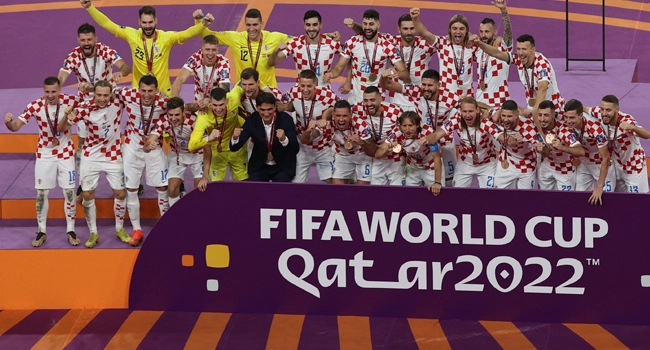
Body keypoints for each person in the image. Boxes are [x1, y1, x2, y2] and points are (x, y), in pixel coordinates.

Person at [58, 23, 131, 201]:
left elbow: (126, 67)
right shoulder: (73, 56)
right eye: (83, 40)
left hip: (107, 101)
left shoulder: (105, 50)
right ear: (78, 41)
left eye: (89, 39)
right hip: (85, 105)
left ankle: (126, 175)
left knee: (112, 138)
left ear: (95, 39)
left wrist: (119, 73)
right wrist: (54, 90)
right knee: (83, 142)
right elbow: (61, 77)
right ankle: (84, 183)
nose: (86, 43)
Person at [5, 77, 81, 247]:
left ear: (60, 90)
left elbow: (92, 102)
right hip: (44, 154)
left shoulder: (71, 101)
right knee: (41, 194)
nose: (50, 95)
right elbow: (16, 126)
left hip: (66, 152)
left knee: (69, 192)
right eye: (47, 92)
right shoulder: (35, 105)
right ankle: (41, 231)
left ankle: (71, 230)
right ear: (43, 91)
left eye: (54, 91)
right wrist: (8, 123)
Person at [80, 0, 214, 96]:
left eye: (150, 22)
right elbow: (108, 24)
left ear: (156, 21)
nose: (148, 26)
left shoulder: (165, 38)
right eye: (144, 22)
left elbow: (185, 34)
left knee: (166, 130)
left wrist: (202, 25)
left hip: (162, 91)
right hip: (138, 92)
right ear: (139, 22)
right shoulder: (132, 35)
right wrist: (90, 7)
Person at [58, 80, 129, 248]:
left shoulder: (118, 101)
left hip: (113, 155)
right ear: (94, 94)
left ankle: (119, 229)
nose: (102, 98)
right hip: (91, 155)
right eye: (99, 95)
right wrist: (66, 115)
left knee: (120, 194)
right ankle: (93, 232)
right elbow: (62, 128)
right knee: (88, 195)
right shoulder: (83, 108)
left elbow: (138, 94)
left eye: (105, 95)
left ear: (111, 94)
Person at [114, 76, 169, 246]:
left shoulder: (163, 102)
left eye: (150, 91)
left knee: (162, 186)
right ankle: (137, 229)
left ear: (156, 90)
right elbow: (107, 90)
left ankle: (167, 226)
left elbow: (181, 107)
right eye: (143, 90)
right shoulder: (127, 94)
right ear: (138, 89)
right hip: (132, 147)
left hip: (154, 146)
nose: (146, 94)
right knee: (131, 188)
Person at [380, 68, 459, 186]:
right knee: (420, 175)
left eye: (430, 85)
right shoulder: (416, 90)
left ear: (439, 85)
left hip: (444, 140)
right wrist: (383, 76)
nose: (426, 88)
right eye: (424, 84)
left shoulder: (450, 97)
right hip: (423, 140)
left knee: (449, 181)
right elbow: (388, 85)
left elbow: (470, 106)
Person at [472, 33, 565, 132]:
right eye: (519, 49)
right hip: (534, 111)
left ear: (533, 50)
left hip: (552, 110)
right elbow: (497, 53)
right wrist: (480, 44)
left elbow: (542, 89)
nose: (520, 53)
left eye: (524, 49)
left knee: (556, 139)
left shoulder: (542, 64)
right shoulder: (519, 59)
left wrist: (536, 111)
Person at [344, 13, 435, 111]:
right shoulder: (391, 41)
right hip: (396, 97)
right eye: (405, 29)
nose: (409, 32)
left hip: (419, 96)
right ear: (399, 29)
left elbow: (444, 42)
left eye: (412, 28)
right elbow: (369, 31)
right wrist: (353, 25)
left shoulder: (426, 44)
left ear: (416, 28)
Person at [323, 9, 409, 104]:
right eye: (365, 24)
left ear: (378, 25)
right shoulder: (352, 42)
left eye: (371, 24)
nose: (367, 27)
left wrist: (396, 73)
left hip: (378, 97)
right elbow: (339, 67)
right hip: (356, 97)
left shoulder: (387, 45)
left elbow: (404, 71)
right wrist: (330, 74)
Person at [194, 8, 289, 88]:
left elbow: (298, 41)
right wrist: (199, 21)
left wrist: (283, 54)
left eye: (255, 24)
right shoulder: (236, 38)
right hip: (244, 93)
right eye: (248, 25)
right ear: (245, 24)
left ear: (261, 24)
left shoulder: (274, 37)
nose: (251, 29)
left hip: (268, 93)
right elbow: (207, 35)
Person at [146, 97, 210, 207]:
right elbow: (147, 144)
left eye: (177, 115)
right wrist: (148, 146)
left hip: (197, 155)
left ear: (184, 112)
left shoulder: (194, 122)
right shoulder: (163, 121)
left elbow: (207, 149)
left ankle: (200, 217)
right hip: (178, 155)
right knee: (172, 187)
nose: (173, 118)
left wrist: (205, 176)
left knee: (200, 188)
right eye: (170, 115)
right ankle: (174, 217)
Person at [426, 97, 503, 188]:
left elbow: (508, 110)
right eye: (464, 111)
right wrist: (426, 139)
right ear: (460, 111)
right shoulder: (455, 120)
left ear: (477, 110)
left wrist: (513, 139)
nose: (467, 115)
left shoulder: (486, 122)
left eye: (470, 111)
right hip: (465, 163)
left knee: (489, 195)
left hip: (487, 163)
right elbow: (437, 134)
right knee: (458, 195)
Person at [284, 70, 338, 183]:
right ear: (298, 83)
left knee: (331, 185)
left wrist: (326, 116)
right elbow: (281, 101)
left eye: (309, 86)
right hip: (302, 148)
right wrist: (285, 107)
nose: (305, 90)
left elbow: (343, 108)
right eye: (302, 86)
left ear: (316, 84)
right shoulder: (293, 92)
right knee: (296, 185)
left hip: (324, 147)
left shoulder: (328, 96)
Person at [587, 95, 650, 193]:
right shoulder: (599, 114)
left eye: (608, 110)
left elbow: (647, 135)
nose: (604, 113)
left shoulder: (627, 120)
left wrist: (633, 127)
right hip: (617, 167)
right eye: (602, 109)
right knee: (619, 200)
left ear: (617, 109)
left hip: (634, 167)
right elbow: (583, 109)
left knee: (637, 202)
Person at [230, 92, 299, 181]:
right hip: (260, 166)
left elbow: (295, 149)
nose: (266, 113)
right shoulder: (252, 120)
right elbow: (234, 147)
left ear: (275, 107)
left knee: (281, 191)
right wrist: (235, 138)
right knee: (255, 190)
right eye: (262, 110)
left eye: (269, 109)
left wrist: (284, 139)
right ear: (257, 108)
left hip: (282, 166)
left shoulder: (286, 120)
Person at [411, 8, 478, 97]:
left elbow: (492, 51)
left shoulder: (472, 46)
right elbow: (423, 33)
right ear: (450, 30)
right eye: (454, 28)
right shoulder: (442, 43)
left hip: (467, 96)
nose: (458, 31)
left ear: (466, 30)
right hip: (446, 96)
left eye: (461, 29)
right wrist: (414, 18)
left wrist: (498, 39)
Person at [188, 87, 248, 181]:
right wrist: (208, 138)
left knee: (245, 182)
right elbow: (191, 146)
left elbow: (241, 84)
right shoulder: (204, 115)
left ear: (227, 101)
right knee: (216, 186)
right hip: (217, 153)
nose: (218, 109)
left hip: (236, 148)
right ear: (210, 103)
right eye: (215, 105)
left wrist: (265, 88)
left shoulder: (233, 98)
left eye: (221, 105)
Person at [269, 10, 341, 88]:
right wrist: (275, 51)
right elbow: (272, 62)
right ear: (304, 25)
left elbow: (347, 57)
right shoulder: (296, 43)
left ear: (321, 25)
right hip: (301, 92)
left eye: (315, 25)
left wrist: (334, 73)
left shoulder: (332, 43)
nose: (311, 28)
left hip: (324, 92)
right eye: (308, 25)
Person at [351, 86, 404, 185]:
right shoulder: (359, 108)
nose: (369, 104)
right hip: (377, 159)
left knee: (398, 193)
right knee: (376, 194)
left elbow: (406, 128)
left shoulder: (394, 111)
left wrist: (389, 139)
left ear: (380, 98)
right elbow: (341, 108)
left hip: (396, 159)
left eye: (372, 100)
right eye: (365, 100)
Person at [377, 111, 443, 191]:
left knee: (436, 195)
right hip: (413, 168)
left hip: (431, 167)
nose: (407, 129)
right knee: (410, 196)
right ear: (400, 126)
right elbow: (377, 154)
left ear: (417, 125)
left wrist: (437, 182)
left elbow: (437, 158)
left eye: (410, 125)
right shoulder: (396, 133)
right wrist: (387, 149)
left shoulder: (427, 132)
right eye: (404, 126)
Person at [563, 99, 612, 205]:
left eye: (572, 118)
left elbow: (606, 158)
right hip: (584, 164)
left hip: (601, 164)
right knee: (580, 198)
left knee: (607, 199)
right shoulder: (567, 123)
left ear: (581, 116)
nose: (568, 121)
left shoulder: (595, 130)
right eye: (566, 117)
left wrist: (599, 187)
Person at [534, 100, 585, 191]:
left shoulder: (564, 131)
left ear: (554, 115)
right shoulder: (535, 125)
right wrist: (541, 150)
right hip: (546, 167)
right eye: (540, 115)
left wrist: (562, 147)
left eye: (546, 115)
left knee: (565, 202)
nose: (542, 119)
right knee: (544, 200)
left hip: (565, 169)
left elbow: (580, 151)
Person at [492, 100, 539, 189]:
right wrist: (497, 113)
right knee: (498, 197)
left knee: (525, 200)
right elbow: (487, 110)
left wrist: (524, 138)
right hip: (505, 163)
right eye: (503, 115)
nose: (505, 120)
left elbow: (540, 146)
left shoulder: (528, 126)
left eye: (509, 116)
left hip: (526, 165)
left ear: (517, 115)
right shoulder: (498, 119)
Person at [172, 35, 231, 103]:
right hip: (198, 102)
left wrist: (210, 99)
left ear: (218, 50)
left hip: (217, 102)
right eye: (207, 49)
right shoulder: (195, 58)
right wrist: (175, 101)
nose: (210, 53)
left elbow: (224, 88)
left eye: (214, 50)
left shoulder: (223, 62)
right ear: (202, 49)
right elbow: (179, 79)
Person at [474, 0, 512, 107]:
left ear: (495, 32)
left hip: (500, 102)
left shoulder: (503, 47)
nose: (483, 35)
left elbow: (508, 31)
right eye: (481, 32)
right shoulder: (478, 49)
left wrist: (503, 10)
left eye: (487, 32)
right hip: (480, 101)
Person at [327, 100, 373, 184]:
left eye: (345, 116)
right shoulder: (329, 123)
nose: (341, 119)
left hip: (362, 155)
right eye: (338, 115)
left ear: (350, 115)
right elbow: (309, 138)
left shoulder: (361, 124)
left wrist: (361, 141)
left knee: (363, 189)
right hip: (342, 154)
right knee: (336, 186)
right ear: (333, 115)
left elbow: (372, 149)